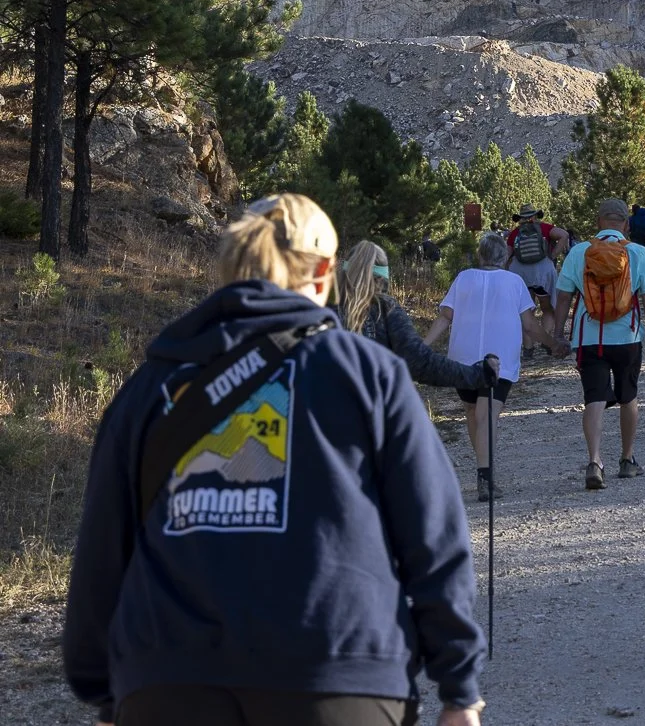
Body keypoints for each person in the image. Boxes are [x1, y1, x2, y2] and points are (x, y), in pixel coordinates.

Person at [64, 193, 485, 726]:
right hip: (338, 677)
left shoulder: (151, 387)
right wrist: (458, 688)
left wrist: (105, 690)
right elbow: (433, 534)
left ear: (228, 268)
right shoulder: (366, 374)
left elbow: (103, 546)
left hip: (170, 682)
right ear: (325, 273)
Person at [425, 232, 569, 501]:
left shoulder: (463, 277)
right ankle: (485, 475)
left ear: (480, 255)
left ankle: (484, 469)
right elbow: (529, 325)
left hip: (463, 357)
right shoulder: (514, 281)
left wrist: (423, 345)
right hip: (498, 359)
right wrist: (552, 344)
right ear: (505, 258)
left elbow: (445, 316)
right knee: (486, 413)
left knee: (473, 411)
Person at [553, 197, 645, 491]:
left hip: (589, 339)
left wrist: (559, 335)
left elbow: (563, 297)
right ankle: (627, 460)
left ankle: (594, 461)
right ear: (626, 224)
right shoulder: (638, 253)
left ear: (598, 222)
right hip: (628, 337)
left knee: (594, 397)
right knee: (628, 396)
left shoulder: (579, 252)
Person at [336, 239, 498, 393]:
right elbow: (421, 362)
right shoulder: (386, 309)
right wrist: (478, 375)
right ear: (382, 278)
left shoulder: (327, 310)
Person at [505, 204, 570, 347]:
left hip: (521, 275)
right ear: (535, 215)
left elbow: (507, 254)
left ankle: (528, 348)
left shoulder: (515, 233)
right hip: (543, 274)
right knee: (547, 309)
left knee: (526, 311)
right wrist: (552, 255)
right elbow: (564, 235)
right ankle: (545, 340)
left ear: (520, 218)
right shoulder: (545, 228)